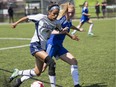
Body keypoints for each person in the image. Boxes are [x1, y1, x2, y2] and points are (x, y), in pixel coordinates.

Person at [9, 4, 66, 87]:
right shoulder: (41, 17)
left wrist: (67, 33)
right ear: (49, 12)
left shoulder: (56, 22)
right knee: (51, 63)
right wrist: (16, 23)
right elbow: (27, 17)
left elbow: (61, 30)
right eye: (54, 13)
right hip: (35, 44)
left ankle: (18, 73)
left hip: (43, 48)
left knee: (37, 72)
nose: (56, 15)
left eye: (57, 14)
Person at [42, 2, 83, 87]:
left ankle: (77, 85)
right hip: (52, 45)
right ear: (66, 11)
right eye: (69, 12)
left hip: (59, 47)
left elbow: (70, 26)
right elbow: (53, 29)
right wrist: (63, 33)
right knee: (42, 69)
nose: (71, 14)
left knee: (74, 61)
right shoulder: (61, 20)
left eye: (72, 12)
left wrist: (77, 30)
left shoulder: (69, 20)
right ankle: (21, 76)